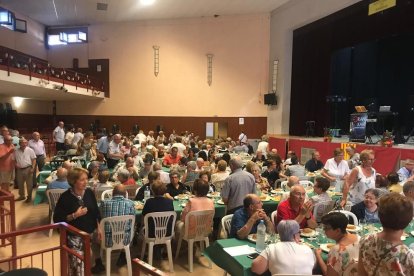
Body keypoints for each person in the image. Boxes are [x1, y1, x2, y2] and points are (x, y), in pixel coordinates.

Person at [53, 167, 103, 274]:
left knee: (90, 260)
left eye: (86, 179)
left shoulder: (89, 193)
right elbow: (58, 219)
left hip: (91, 232)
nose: (86, 182)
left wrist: (99, 229)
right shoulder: (65, 197)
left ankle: (96, 265)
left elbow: (96, 213)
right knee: (78, 266)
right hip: (74, 236)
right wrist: (75, 215)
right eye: (82, 180)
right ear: (73, 181)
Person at [358, 193, 414, 275]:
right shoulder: (408, 256)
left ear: (379, 217)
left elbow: (361, 272)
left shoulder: (365, 239)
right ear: (409, 221)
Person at [100, 184, 135, 267]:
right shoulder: (130, 204)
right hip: (125, 240)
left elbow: (100, 217)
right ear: (125, 194)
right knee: (132, 227)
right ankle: (123, 255)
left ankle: (99, 261)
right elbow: (133, 219)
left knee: (94, 233)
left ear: (112, 193)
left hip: (107, 240)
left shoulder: (104, 203)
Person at [14, 138, 36, 202]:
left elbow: (34, 159)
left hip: (28, 168)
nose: (24, 144)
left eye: (25, 143)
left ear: (27, 143)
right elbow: (14, 160)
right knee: (20, 184)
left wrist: (33, 168)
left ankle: (29, 197)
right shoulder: (16, 151)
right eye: (22, 143)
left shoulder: (30, 150)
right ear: (19, 143)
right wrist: (15, 164)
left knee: (29, 184)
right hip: (19, 170)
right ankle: (22, 196)